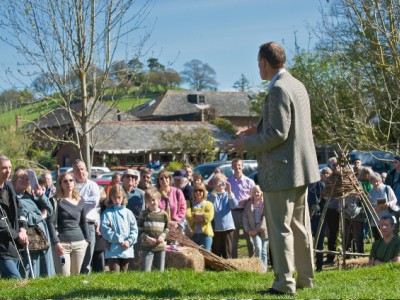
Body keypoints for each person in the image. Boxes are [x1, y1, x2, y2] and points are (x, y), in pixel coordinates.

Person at [227, 42, 319, 296]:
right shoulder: (297, 85)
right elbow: (287, 127)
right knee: (301, 227)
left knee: (280, 229)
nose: (258, 67)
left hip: (281, 171)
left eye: (258, 63)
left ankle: (284, 283)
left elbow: (279, 133)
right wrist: (254, 130)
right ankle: (306, 279)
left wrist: (245, 143)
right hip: (301, 169)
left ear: (265, 62)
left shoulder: (278, 88)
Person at [12, 168, 55, 278]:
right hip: (31, 236)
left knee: (46, 264)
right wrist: (40, 217)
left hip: (43, 235)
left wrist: (41, 195)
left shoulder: (30, 196)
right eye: (20, 178)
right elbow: (23, 216)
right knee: (33, 267)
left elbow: (50, 210)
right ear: (14, 181)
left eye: (27, 179)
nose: (24, 180)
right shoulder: (13, 197)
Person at [50, 172, 89, 276]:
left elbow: (84, 222)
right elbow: (50, 223)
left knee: (75, 276)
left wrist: (87, 241)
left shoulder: (81, 200)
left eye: (71, 180)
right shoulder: (55, 201)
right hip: (62, 245)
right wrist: (56, 242)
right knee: (64, 276)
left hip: (80, 243)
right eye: (65, 181)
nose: (69, 183)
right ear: (60, 184)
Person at [0, 155, 29, 279]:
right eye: (4, 168)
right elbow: (1, 225)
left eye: (10, 167)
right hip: (2, 246)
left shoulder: (8, 186)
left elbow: (20, 208)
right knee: (15, 278)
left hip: (13, 244)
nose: (8, 171)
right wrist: (17, 235)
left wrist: (22, 229)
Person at [100, 185, 138, 272]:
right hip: (113, 249)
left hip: (126, 249)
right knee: (115, 273)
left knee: (124, 274)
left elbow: (134, 229)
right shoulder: (107, 213)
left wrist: (129, 241)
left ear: (123, 197)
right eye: (114, 198)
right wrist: (119, 240)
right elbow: (105, 230)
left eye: (119, 197)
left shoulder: (128, 213)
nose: (117, 200)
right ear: (110, 198)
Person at [72, 159, 100, 274]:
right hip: (74, 224)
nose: (80, 172)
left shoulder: (93, 185)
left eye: (82, 169)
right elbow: (65, 202)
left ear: (86, 170)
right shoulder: (71, 185)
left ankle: (85, 278)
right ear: (73, 171)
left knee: (88, 254)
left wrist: (77, 201)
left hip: (89, 224)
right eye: (77, 170)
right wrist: (81, 203)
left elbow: (93, 202)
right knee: (75, 254)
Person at [227, 158, 255, 258]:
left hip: (246, 212)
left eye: (239, 165)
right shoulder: (228, 182)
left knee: (249, 236)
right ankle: (234, 260)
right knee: (234, 238)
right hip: (233, 212)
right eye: (235, 165)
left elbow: (255, 196)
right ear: (232, 167)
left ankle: (252, 259)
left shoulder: (250, 182)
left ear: (242, 166)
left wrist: (248, 199)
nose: (237, 167)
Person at [138, 187, 169, 272]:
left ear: (159, 199)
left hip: (160, 247)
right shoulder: (144, 214)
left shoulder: (164, 214)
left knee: (160, 271)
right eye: (148, 201)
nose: (151, 203)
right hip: (147, 247)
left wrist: (162, 236)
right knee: (145, 270)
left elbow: (167, 228)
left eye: (153, 200)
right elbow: (139, 229)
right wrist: (147, 238)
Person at [207, 173, 238, 259]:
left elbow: (234, 205)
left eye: (222, 182)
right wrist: (214, 193)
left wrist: (229, 192)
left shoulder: (228, 194)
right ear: (214, 184)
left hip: (228, 227)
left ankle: (227, 269)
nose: (220, 184)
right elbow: (210, 205)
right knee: (216, 251)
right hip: (215, 227)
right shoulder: (210, 195)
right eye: (218, 182)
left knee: (227, 251)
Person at [308, 167, 331, 272]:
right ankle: (309, 265)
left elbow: (325, 203)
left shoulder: (320, 185)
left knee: (319, 242)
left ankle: (319, 266)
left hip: (318, 217)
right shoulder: (305, 187)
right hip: (307, 218)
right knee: (307, 242)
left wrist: (317, 209)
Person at [121, 169, 145, 269]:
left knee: (136, 257)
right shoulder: (118, 192)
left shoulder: (140, 194)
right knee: (122, 257)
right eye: (128, 176)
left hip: (136, 229)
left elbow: (143, 212)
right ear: (122, 179)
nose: (131, 178)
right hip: (121, 229)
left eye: (133, 177)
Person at [243, 185, 268, 272]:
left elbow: (264, 219)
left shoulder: (265, 203)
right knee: (258, 248)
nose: (256, 193)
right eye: (254, 192)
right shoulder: (249, 204)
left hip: (263, 230)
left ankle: (264, 270)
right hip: (253, 231)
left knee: (264, 251)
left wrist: (256, 230)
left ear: (261, 192)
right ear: (251, 194)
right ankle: (258, 269)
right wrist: (248, 230)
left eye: (258, 191)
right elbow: (245, 218)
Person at [369, 172, 398, 240]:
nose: (376, 183)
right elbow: (370, 206)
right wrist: (374, 209)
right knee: (378, 239)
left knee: (390, 238)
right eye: (373, 182)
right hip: (376, 219)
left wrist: (388, 204)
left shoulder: (387, 188)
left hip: (388, 217)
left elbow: (395, 200)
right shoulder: (371, 192)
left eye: (377, 181)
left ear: (380, 180)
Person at [186, 183, 214, 251]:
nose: (198, 192)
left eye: (200, 190)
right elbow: (188, 217)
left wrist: (194, 214)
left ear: (204, 191)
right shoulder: (188, 203)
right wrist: (202, 216)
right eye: (196, 190)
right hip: (193, 235)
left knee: (206, 257)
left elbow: (209, 217)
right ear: (193, 192)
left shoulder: (209, 204)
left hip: (206, 236)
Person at [324, 157, 341, 265]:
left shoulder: (343, 177)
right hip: (331, 208)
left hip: (344, 208)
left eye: (335, 165)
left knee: (347, 233)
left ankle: (349, 255)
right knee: (332, 233)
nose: (334, 167)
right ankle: (331, 256)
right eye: (332, 165)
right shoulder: (329, 179)